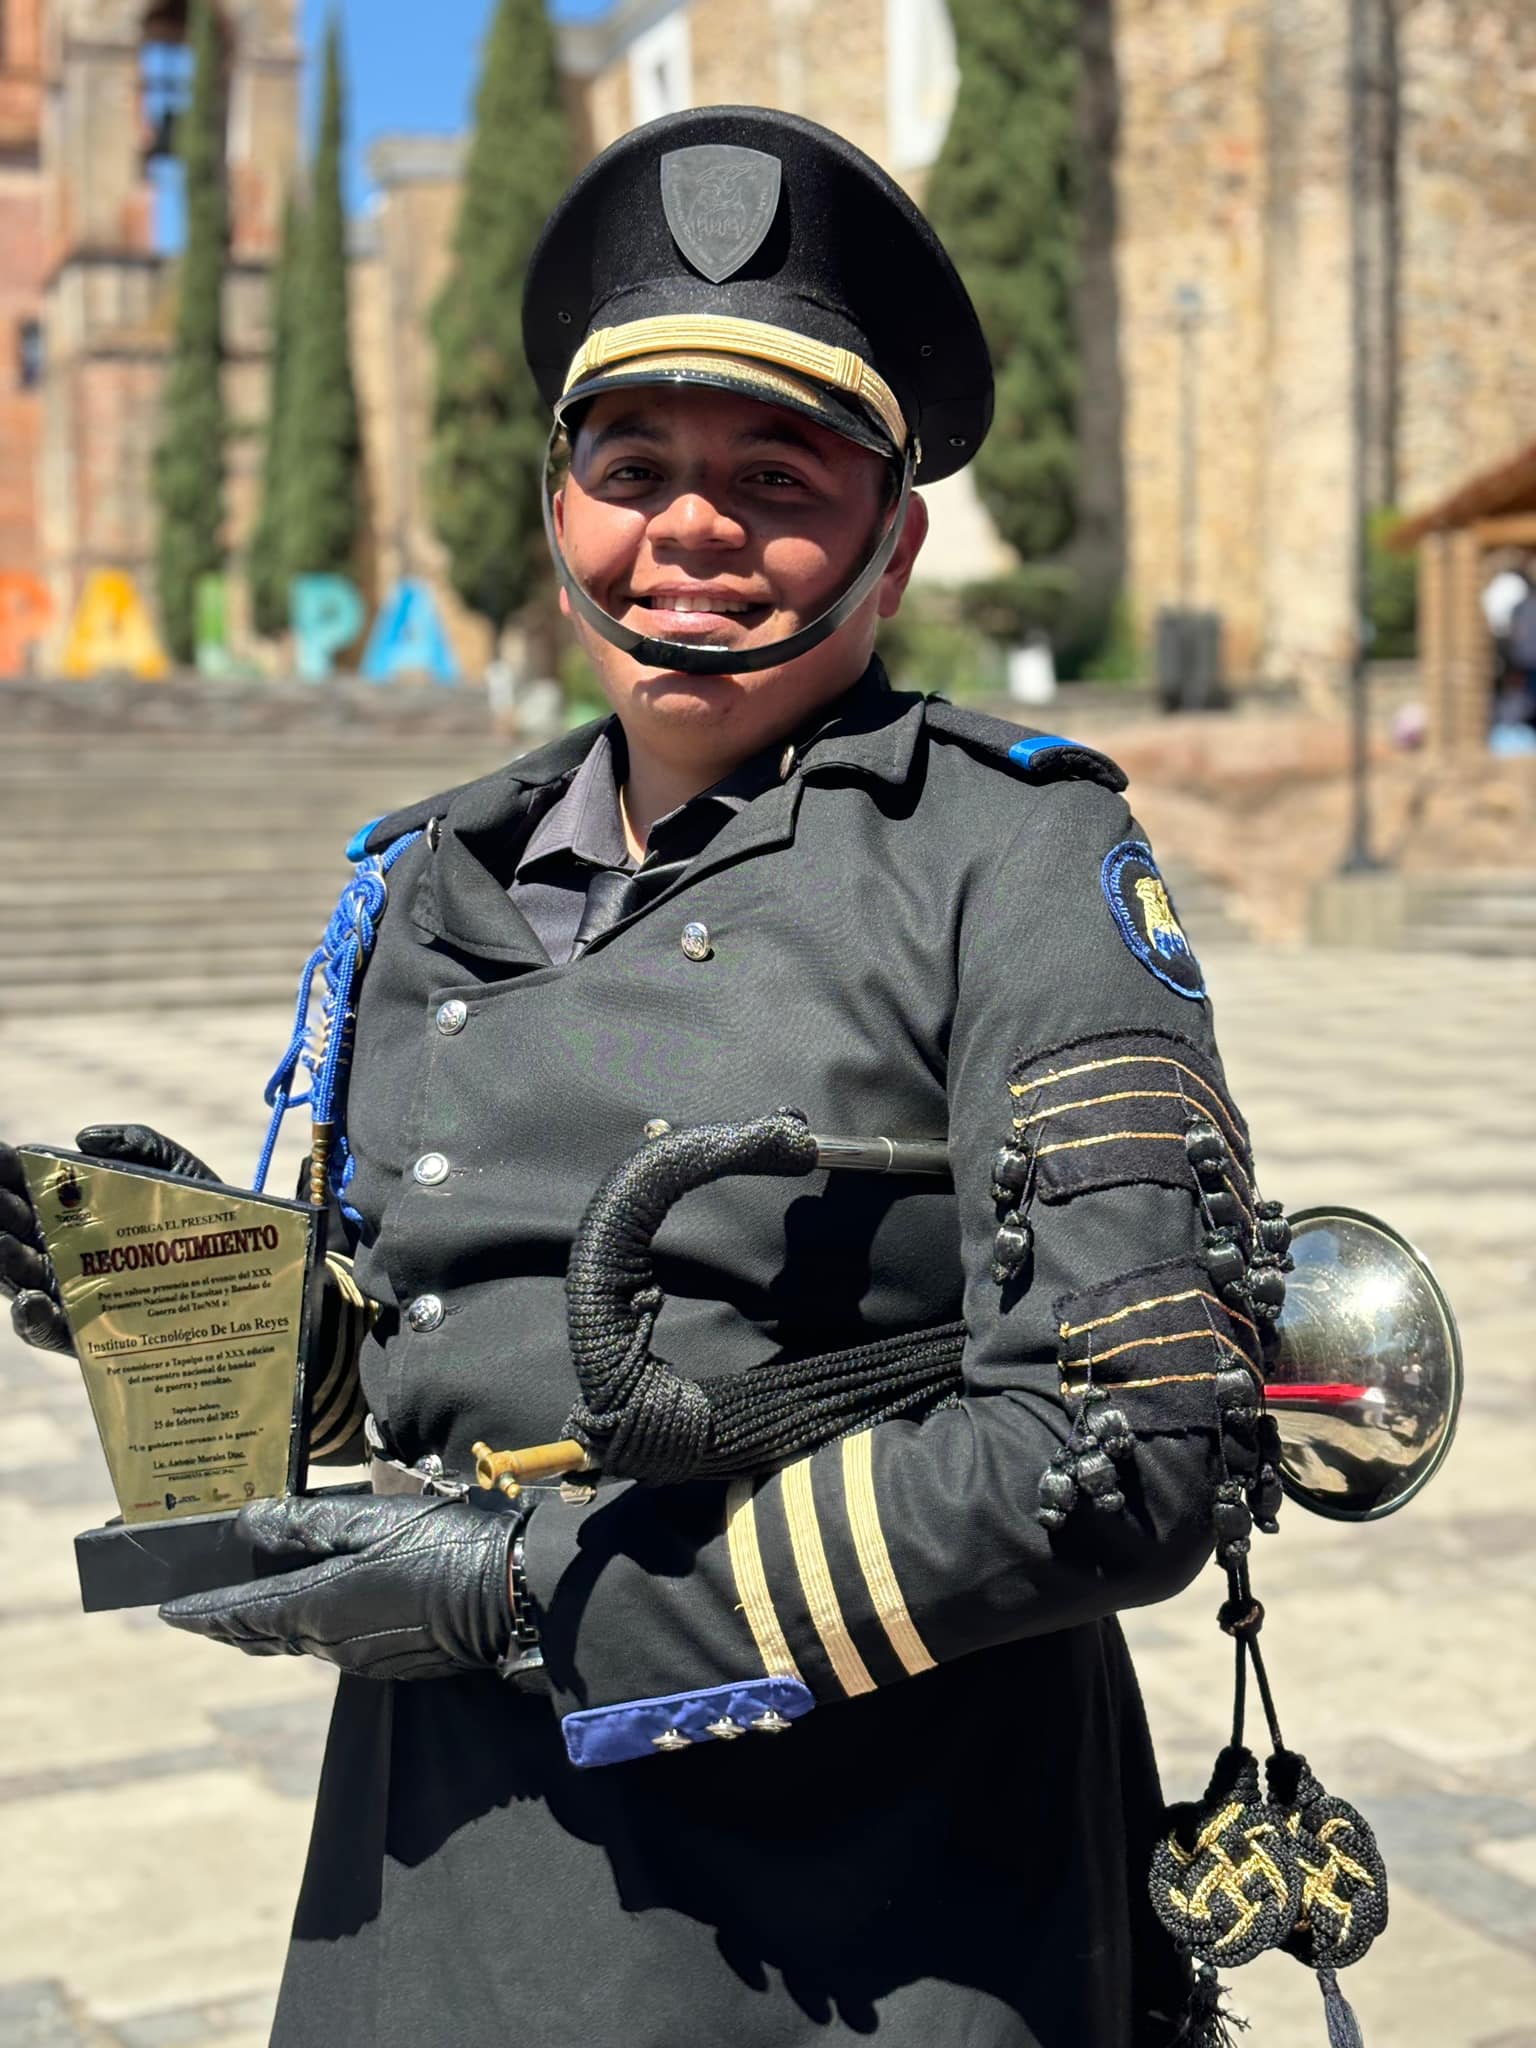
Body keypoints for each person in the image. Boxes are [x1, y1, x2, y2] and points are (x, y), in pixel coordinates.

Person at [1, 109, 1279, 2047]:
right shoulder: (425, 868)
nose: (693, 526)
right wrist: (201, 1307)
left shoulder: (1010, 856)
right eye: (636, 466)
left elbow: (1123, 1454)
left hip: (881, 1891)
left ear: (893, 530)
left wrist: (528, 1593)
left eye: (776, 473)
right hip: (445, 1866)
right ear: (556, 503)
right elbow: (443, 1346)